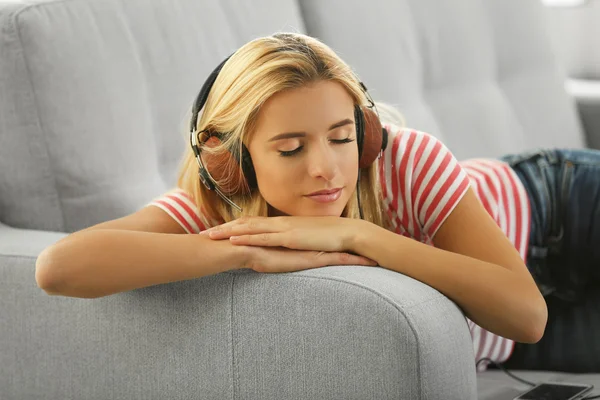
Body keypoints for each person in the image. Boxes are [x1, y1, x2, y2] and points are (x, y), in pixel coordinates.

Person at [34, 32, 600, 374]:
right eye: (290, 148)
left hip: (559, 208)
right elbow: (59, 267)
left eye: (340, 136)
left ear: (366, 132)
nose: (326, 168)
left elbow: (525, 309)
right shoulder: (220, 203)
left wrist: (362, 237)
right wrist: (242, 253)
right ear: (233, 162)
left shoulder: (406, 159)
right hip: (503, 344)